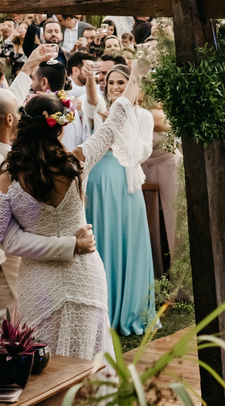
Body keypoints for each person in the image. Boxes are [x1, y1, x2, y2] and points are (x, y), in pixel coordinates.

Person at [0, 61, 149, 360]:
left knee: (46, 368)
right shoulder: (77, 161)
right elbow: (115, 118)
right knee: (90, 367)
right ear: (60, 128)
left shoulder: (8, 177)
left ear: (22, 125)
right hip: (86, 278)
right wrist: (137, 75)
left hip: (39, 286)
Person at [0, 89, 92, 335]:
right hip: (1, 275)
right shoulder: (10, 168)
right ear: (9, 119)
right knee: (4, 347)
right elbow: (12, 239)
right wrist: (72, 245)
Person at [85, 64, 156, 336]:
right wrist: (92, 79)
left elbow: (141, 152)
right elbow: (91, 100)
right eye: (111, 82)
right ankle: (101, 306)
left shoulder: (143, 116)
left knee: (128, 242)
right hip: (98, 185)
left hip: (126, 188)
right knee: (101, 242)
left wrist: (120, 124)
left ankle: (129, 309)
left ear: (132, 87)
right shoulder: (101, 107)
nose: (115, 87)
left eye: (121, 82)